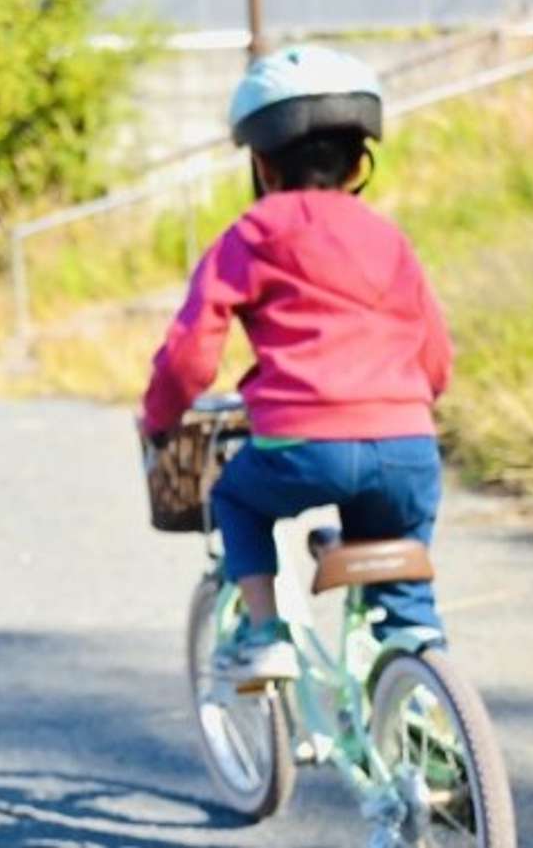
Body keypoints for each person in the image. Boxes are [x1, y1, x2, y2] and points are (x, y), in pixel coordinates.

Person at [139, 45, 454, 686]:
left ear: (261, 162)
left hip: (302, 448)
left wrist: (160, 417)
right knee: (403, 585)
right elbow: (435, 354)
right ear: (360, 161)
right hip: (406, 445)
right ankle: (430, 711)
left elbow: (191, 353)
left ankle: (265, 634)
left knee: (235, 498)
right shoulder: (388, 237)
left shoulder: (252, 235)